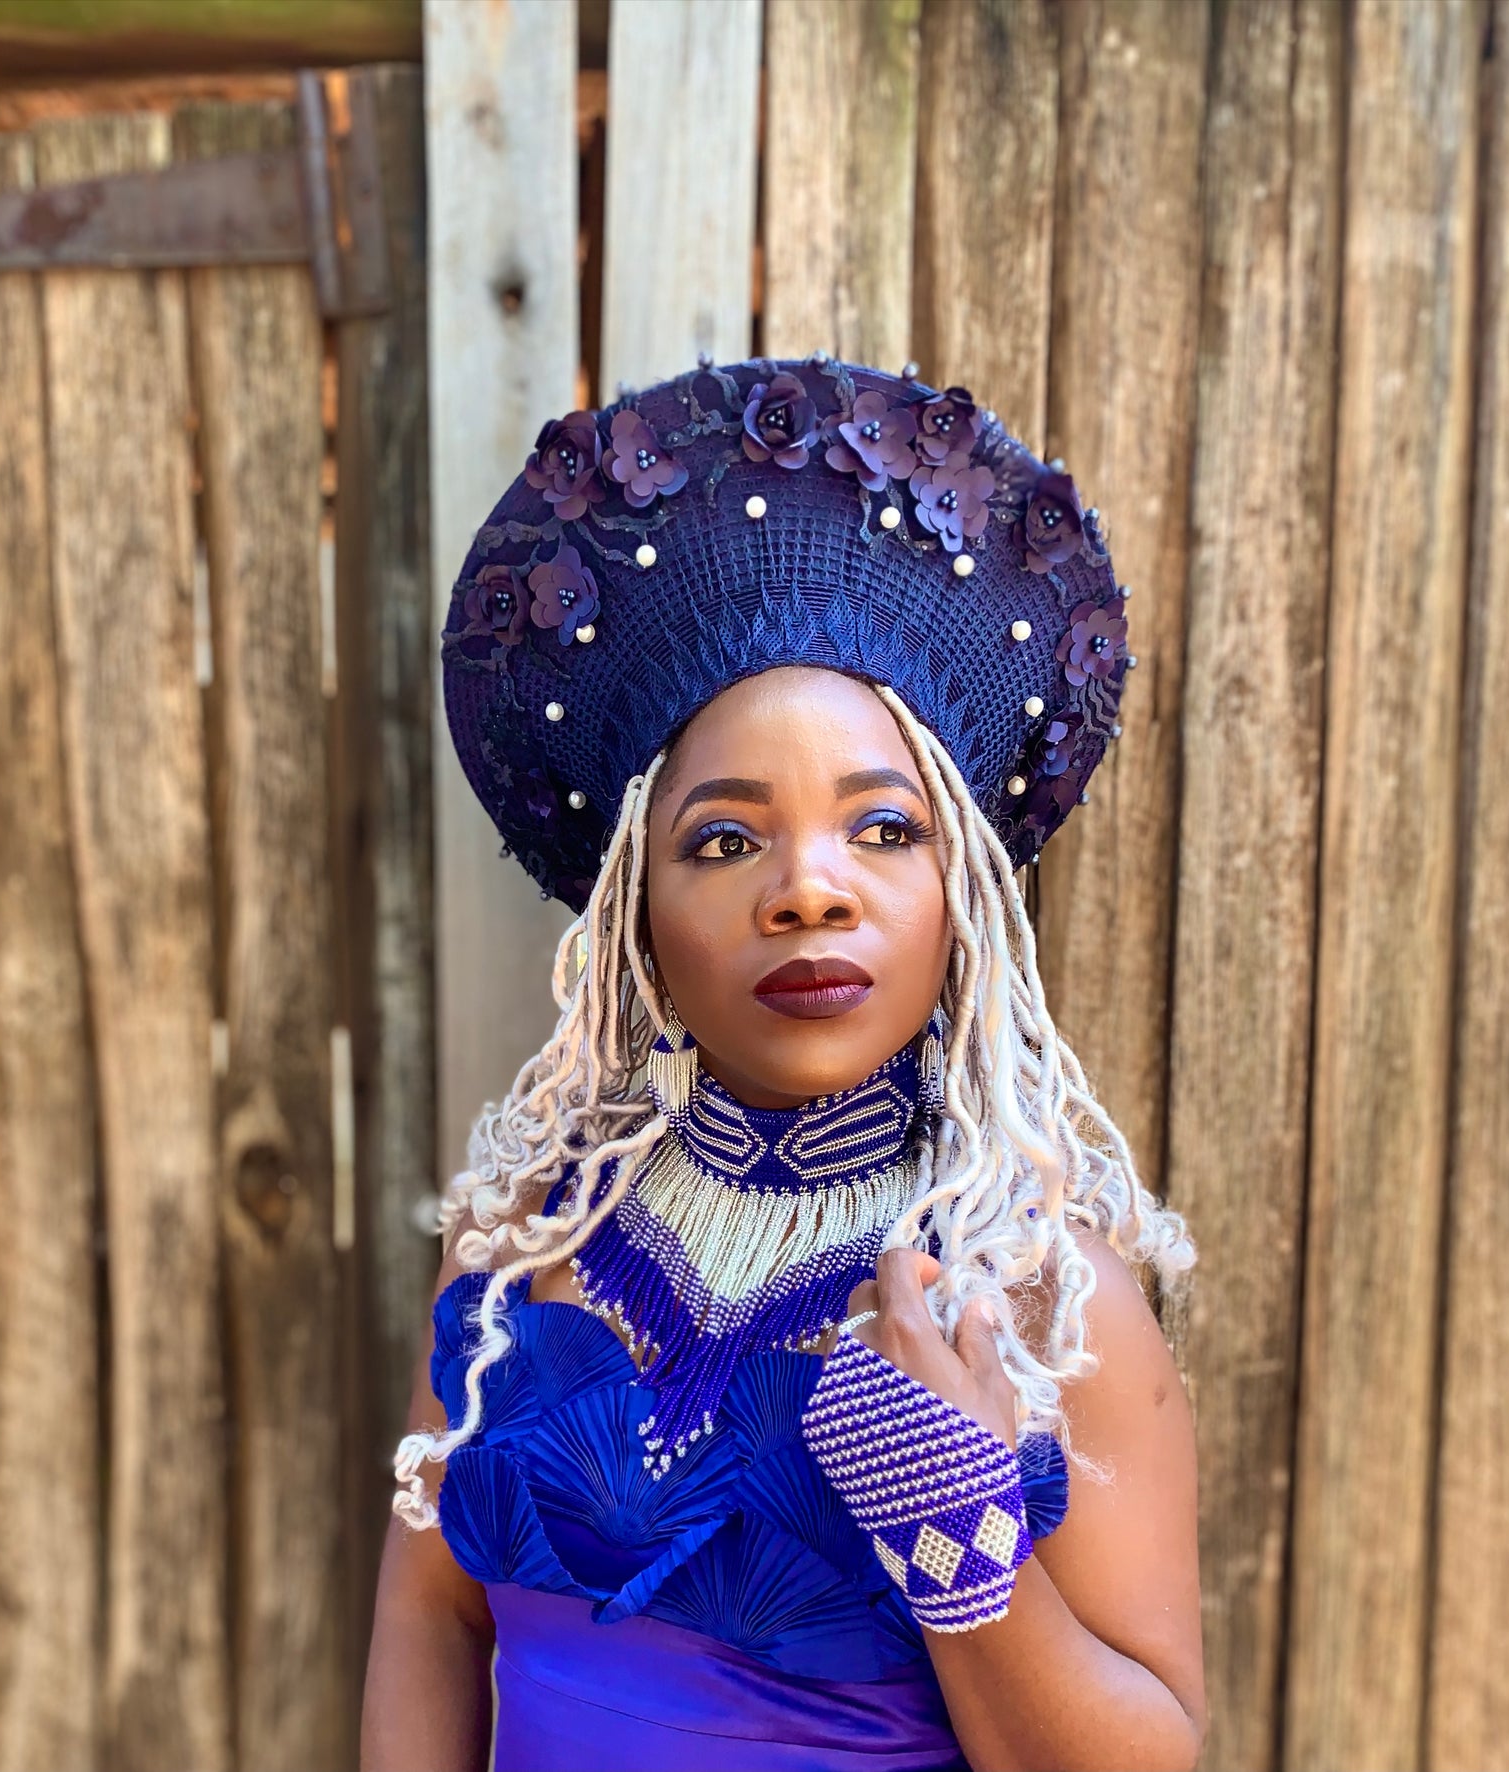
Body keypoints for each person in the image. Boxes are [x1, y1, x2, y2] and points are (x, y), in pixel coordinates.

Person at [361, 357, 1205, 1772]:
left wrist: (960, 1546)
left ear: (965, 902)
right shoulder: (519, 1253)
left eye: (882, 831)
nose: (810, 889)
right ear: (634, 915)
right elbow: (427, 1630)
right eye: (725, 839)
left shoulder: (1044, 1299)